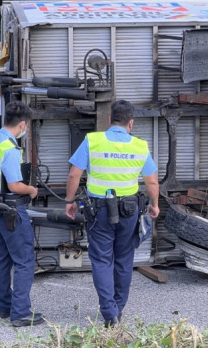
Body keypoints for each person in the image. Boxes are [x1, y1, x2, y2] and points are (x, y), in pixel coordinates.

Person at [64, 99, 160, 327]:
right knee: (124, 259)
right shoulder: (140, 146)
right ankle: (118, 307)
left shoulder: (93, 140)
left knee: (101, 260)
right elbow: (152, 181)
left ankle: (109, 313)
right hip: (129, 210)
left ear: (109, 120)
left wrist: (69, 201)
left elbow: (73, 176)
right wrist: (154, 204)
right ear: (131, 123)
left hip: (99, 212)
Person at [0, 100, 43, 327]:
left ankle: (4, 308)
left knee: (3, 258)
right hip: (11, 209)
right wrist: (32, 190)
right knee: (25, 260)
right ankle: (21, 314)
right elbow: (16, 185)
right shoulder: (10, 148)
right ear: (23, 125)